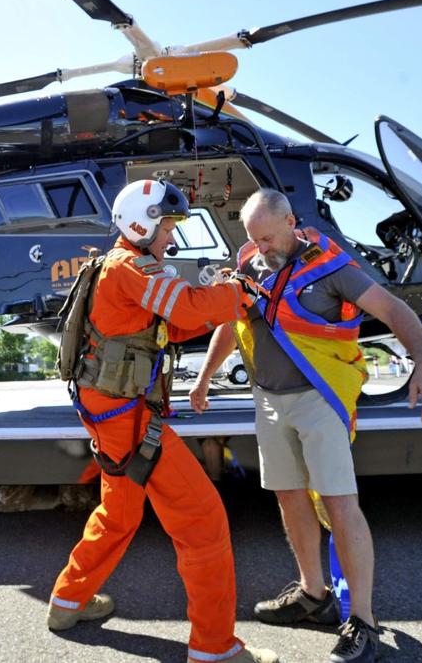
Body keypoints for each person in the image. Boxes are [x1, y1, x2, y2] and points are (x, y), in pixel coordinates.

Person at [189, 188, 422, 663]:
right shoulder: (250, 266)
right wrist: (205, 378)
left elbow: (395, 311)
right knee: (288, 496)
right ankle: (314, 595)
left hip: (318, 400)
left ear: (290, 221)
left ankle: (363, 621)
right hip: (268, 401)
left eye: (266, 237)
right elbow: (230, 322)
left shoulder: (332, 269)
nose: (260, 246)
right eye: (254, 239)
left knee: (339, 503)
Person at [49, 179, 277, 663]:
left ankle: (68, 600)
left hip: (108, 416)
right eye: (168, 226)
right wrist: (237, 292)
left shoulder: (117, 268)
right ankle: (215, 649)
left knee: (119, 514)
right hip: (128, 421)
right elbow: (190, 307)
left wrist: (221, 303)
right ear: (143, 223)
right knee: (203, 523)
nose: (171, 237)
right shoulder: (131, 267)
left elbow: (172, 325)